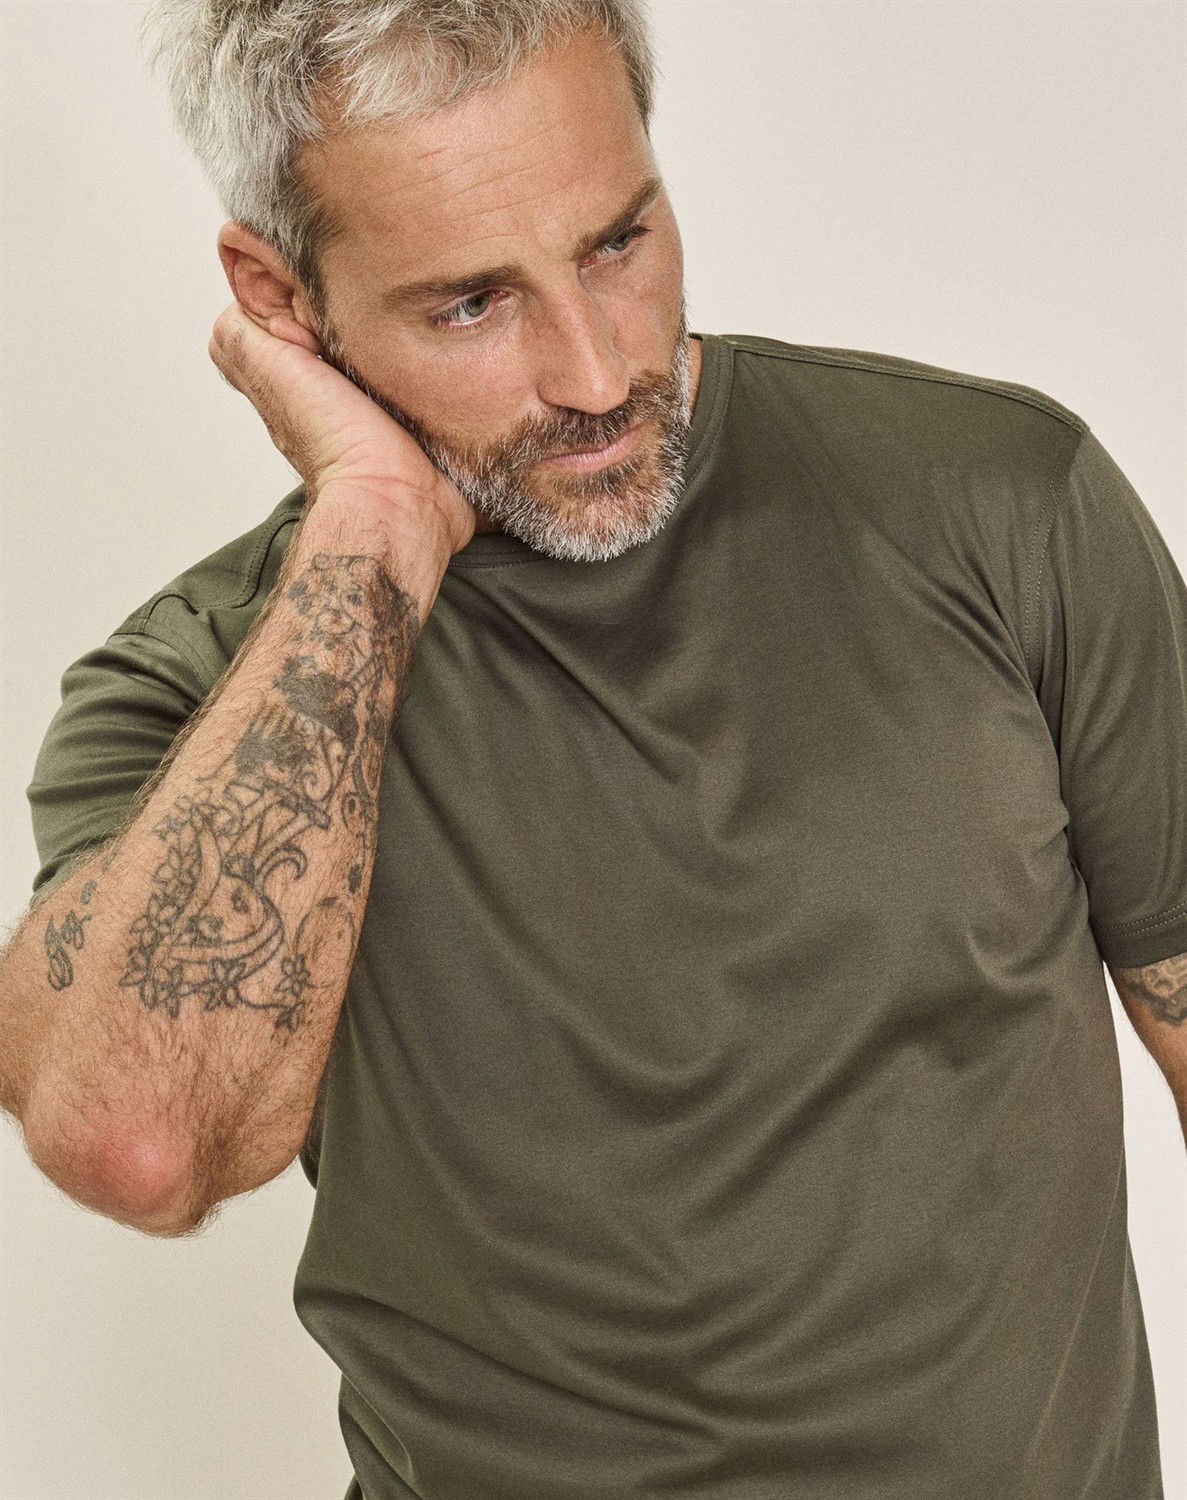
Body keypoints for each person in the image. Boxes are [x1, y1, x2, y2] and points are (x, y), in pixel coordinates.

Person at [1, 1, 1183, 1496]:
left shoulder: (998, 502)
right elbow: (139, 1139)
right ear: (282, 302)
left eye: (619, 242)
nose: (598, 370)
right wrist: (372, 521)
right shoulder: (196, 692)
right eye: (469, 305)